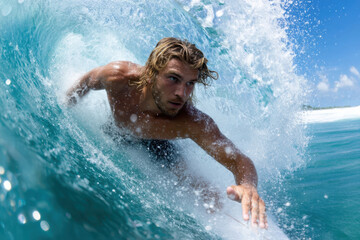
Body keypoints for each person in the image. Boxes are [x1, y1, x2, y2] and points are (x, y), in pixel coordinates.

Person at [66, 37, 268, 229]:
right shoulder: (118, 77)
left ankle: (232, 220)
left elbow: (238, 160)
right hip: (114, 131)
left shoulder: (192, 122)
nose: (182, 93)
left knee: (198, 187)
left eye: (190, 83)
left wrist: (248, 185)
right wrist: (64, 106)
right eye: (174, 78)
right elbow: (86, 82)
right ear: (151, 73)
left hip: (158, 144)